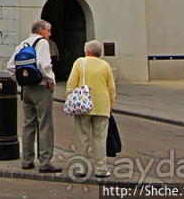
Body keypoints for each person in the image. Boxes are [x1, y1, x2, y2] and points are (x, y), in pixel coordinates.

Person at [6, 19, 61, 173]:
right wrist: (50, 79)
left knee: (28, 124)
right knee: (45, 124)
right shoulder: (42, 43)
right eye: (48, 31)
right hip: (41, 87)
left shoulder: (23, 43)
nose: (50, 34)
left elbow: (10, 66)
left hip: (26, 89)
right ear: (41, 30)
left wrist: (20, 80)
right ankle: (45, 162)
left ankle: (27, 160)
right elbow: (44, 64)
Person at [66, 39, 116, 178]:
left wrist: (69, 99)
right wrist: (111, 104)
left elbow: (71, 83)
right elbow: (111, 88)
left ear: (87, 51)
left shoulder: (80, 62)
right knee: (100, 139)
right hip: (102, 105)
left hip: (83, 104)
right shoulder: (106, 65)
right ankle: (101, 168)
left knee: (81, 137)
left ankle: (81, 168)